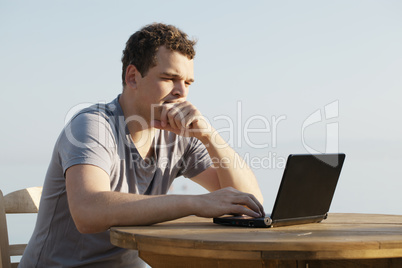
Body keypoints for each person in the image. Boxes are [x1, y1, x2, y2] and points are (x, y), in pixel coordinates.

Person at [19, 23, 264, 267]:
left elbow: (249, 203)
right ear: (133, 77)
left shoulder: (178, 136)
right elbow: (87, 212)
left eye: (188, 83)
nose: (181, 92)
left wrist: (210, 136)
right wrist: (195, 203)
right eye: (169, 78)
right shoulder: (92, 126)